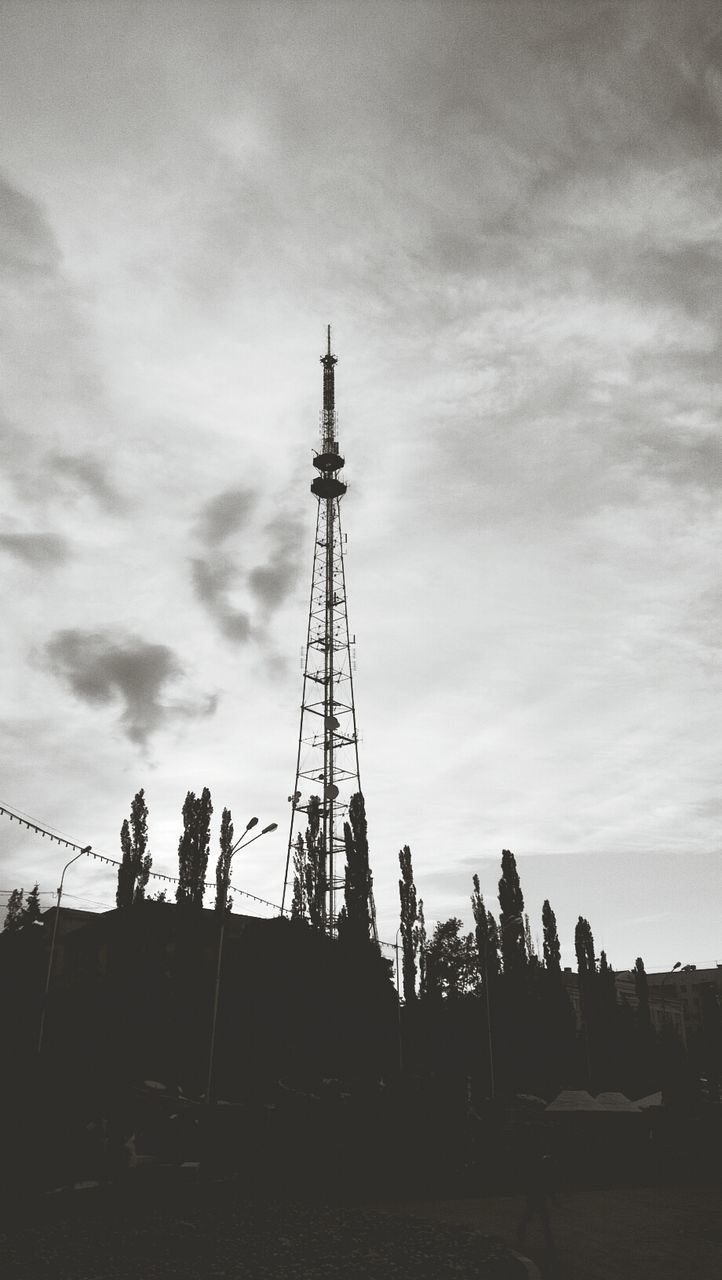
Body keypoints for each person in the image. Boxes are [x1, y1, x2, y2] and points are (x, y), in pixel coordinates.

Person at [517, 1142, 557, 1252]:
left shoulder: (536, 1172)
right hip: (537, 1198)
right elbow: (548, 1188)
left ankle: (521, 1232)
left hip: (535, 1198)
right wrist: (553, 1199)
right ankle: (548, 1241)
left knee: (533, 1218)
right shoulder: (541, 1174)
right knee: (543, 1220)